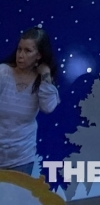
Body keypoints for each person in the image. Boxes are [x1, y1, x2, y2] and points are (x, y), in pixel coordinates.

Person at [0, 27, 59, 175]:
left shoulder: (41, 81)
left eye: (27, 51)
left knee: (16, 199)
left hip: (21, 159)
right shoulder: (3, 73)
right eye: (19, 49)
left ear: (38, 55)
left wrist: (46, 75)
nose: (20, 55)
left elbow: (48, 107)